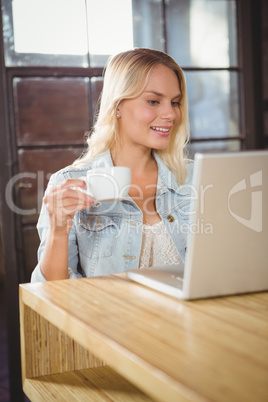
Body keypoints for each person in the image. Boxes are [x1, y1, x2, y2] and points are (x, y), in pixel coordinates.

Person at [31, 47, 194, 283]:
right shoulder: (70, 182)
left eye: (175, 102)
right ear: (118, 106)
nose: (170, 114)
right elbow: (51, 292)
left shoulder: (193, 177)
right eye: (153, 101)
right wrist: (58, 230)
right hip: (111, 319)